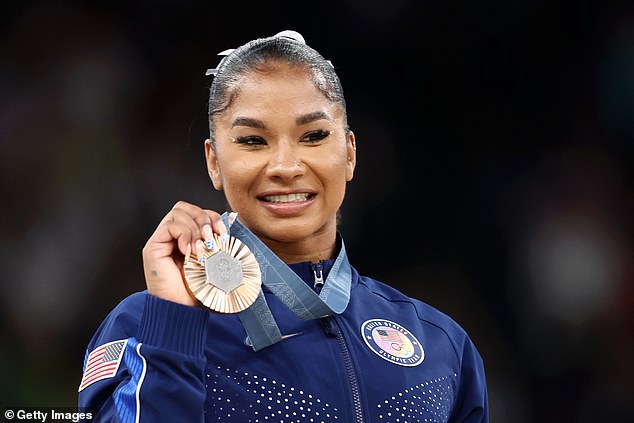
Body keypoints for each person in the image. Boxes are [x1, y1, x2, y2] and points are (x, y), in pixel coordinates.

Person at [78, 30, 489, 422]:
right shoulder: (144, 326)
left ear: (349, 153)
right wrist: (173, 324)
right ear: (214, 162)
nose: (286, 167)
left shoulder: (441, 344)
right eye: (253, 141)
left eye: (313, 135)